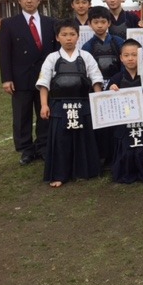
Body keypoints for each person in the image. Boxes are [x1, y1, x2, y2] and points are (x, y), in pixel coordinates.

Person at [36, 19, 104, 187]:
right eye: (64, 35)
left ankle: (85, 171)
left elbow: (96, 79)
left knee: (83, 138)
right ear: (57, 37)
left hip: (83, 104)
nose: (68, 38)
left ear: (78, 37)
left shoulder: (86, 56)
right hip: (59, 105)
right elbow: (44, 83)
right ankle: (59, 174)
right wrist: (44, 105)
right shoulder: (52, 58)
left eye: (72, 34)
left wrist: (98, 102)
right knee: (61, 140)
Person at [0, 0, 57, 165]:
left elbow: (56, 52)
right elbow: (4, 53)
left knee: (44, 113)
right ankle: (25, 149)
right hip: (20, 77)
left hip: (45, 78)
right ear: (19, 0)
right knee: (22, 115)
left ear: (39, 0)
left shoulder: (51, 23)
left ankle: (43, 146)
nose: (29, 0)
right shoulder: (9, 24)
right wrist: (6, 78)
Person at [82, 6, 125, 166]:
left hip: (117, 86)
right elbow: (88, 70)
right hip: (97, 87)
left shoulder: (118, 42)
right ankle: (102, 155)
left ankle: (117, 154)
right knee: (101, 123)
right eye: (96, 22)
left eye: (103, 22)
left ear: (109, 23)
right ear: (90, 24)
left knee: (117, 122)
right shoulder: (87, 46)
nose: (99, 25)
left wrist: (120, 83)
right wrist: (96, 89)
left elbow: (124, 65)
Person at [107, 39, 143, 184]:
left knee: (142, 147)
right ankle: (126, 173)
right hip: (125, 121)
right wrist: (111, 91)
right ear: (121, 58)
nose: (131, 58)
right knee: (127, 147)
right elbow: (108, 101)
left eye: (134, 55)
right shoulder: (117, 78)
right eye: (126, 55)